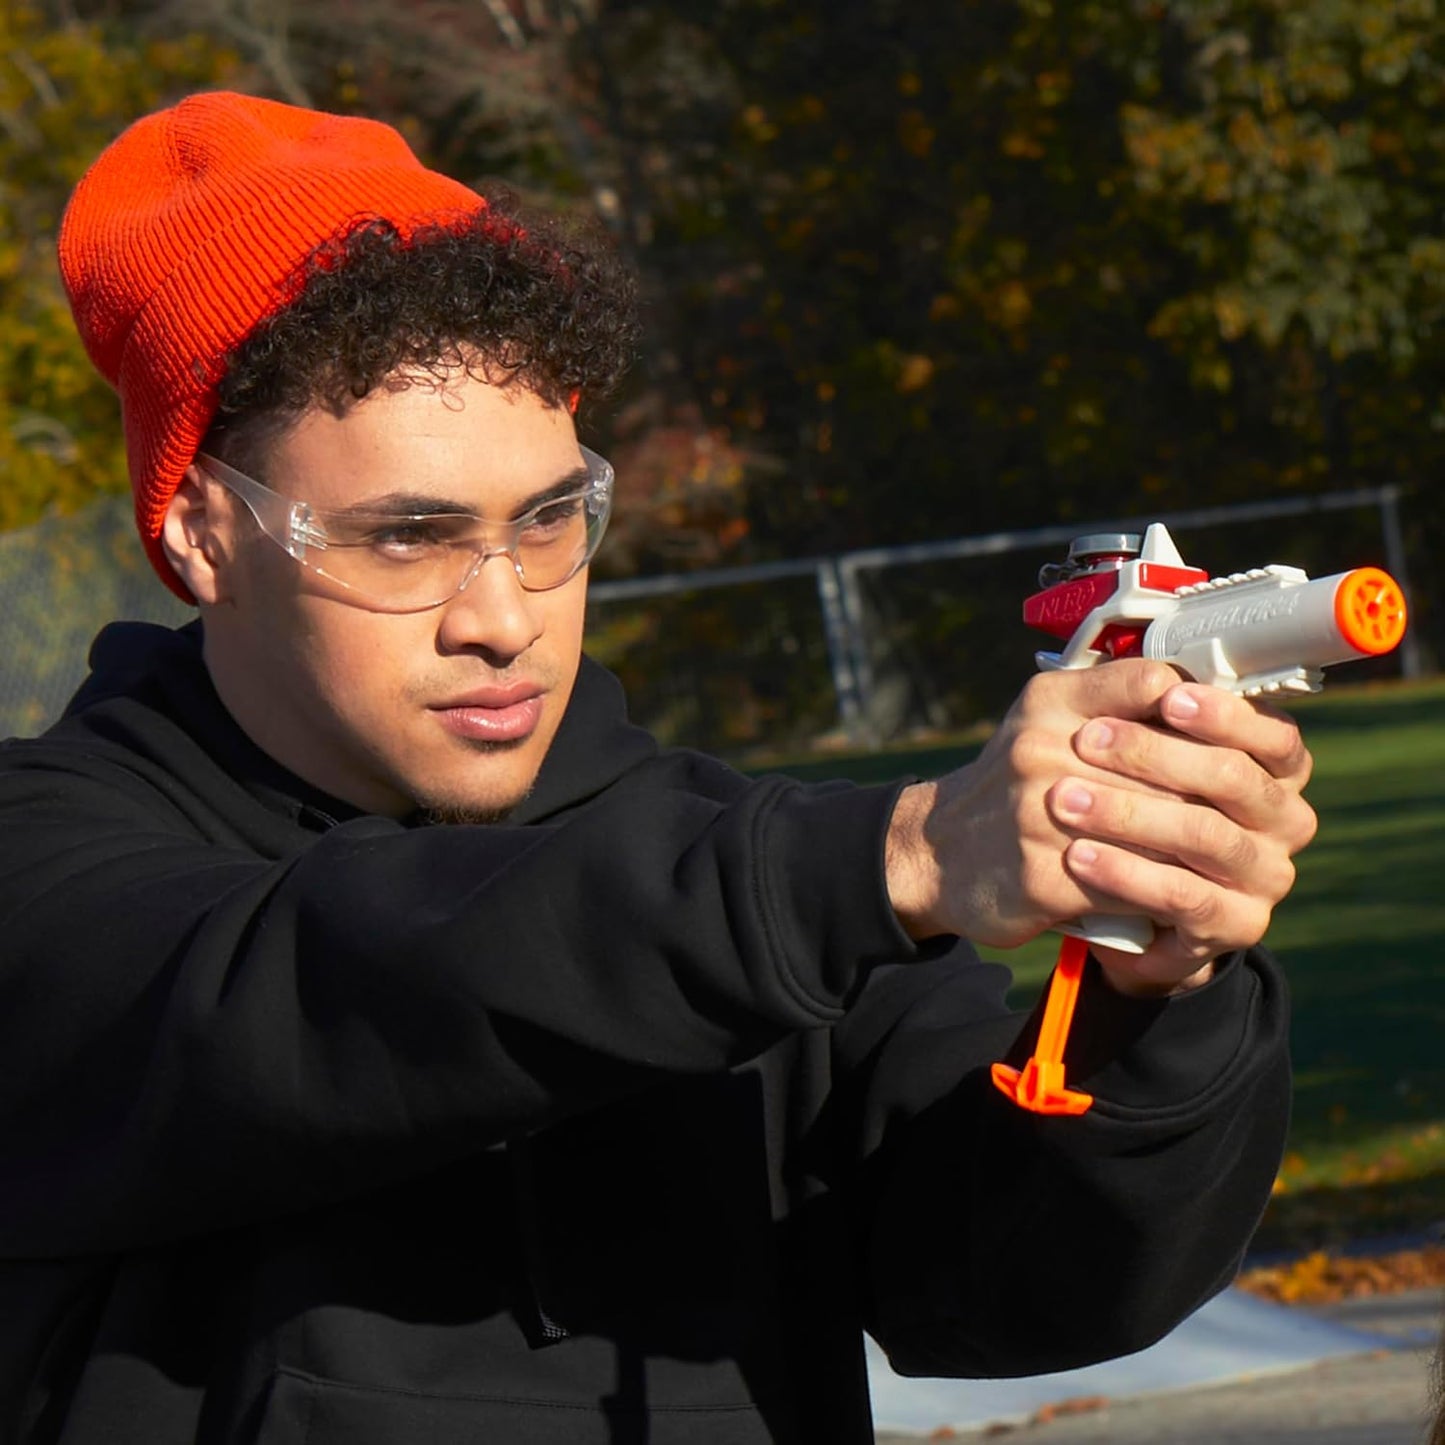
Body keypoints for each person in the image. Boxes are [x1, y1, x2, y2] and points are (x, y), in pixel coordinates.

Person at [0, 91, 1311, 1445]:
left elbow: (1022, 1291)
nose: (504, 615)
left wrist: (1154, 991)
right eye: (407, 538)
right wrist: (897, 860)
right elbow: (339, 986)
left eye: (548, 520)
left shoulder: (740, 876)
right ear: (203, 532)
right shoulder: (48, 867)